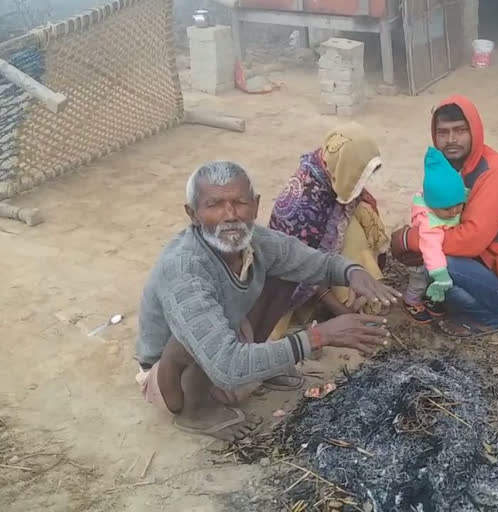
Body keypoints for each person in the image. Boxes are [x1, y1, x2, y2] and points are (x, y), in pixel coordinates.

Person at [135, 161, 399, 441]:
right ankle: (196, 411)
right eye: (214, 205)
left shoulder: (255, 241)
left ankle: (259, 369)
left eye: (240, 202)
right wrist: (319, 336)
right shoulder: (184, 267)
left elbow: (309, 261)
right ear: (193, 214)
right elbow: (227, 368)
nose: (230, 215)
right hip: (169, 378)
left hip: (227, 338)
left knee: (286, 273)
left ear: (256, 205)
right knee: (190, 337)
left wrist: (352, 272)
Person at [391, 95, 498, 338]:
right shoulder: (456, 167)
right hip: (489, 266)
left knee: (437, 260)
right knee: (431, 255)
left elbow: (471, 240)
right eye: (443, 132)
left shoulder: (494, 175)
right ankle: (471, 300)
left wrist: (411, 239)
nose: (451, 140)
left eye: (460, 130)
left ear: (475, 131)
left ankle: (490, 319)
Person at [268, 122, 390, 338]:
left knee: (363, 215)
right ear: (344, 168)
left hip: (322, 254)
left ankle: (363, 292)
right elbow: (305, 269)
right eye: (359, 174)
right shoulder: (304, 208)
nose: (364, 182)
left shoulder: (327, 171)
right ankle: (346, 304)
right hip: (294, 277)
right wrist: (341, 311)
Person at [403, 147, 467, 324]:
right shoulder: (429, 223)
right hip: (421, 258)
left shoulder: (448, 204)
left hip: (437, 254)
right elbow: (431, 250)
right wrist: (440, 276)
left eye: (458, 205)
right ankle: (411, 301)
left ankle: (432, 297)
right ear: (431, 204)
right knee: (420, 280)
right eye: (447, 208)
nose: (454, 212)